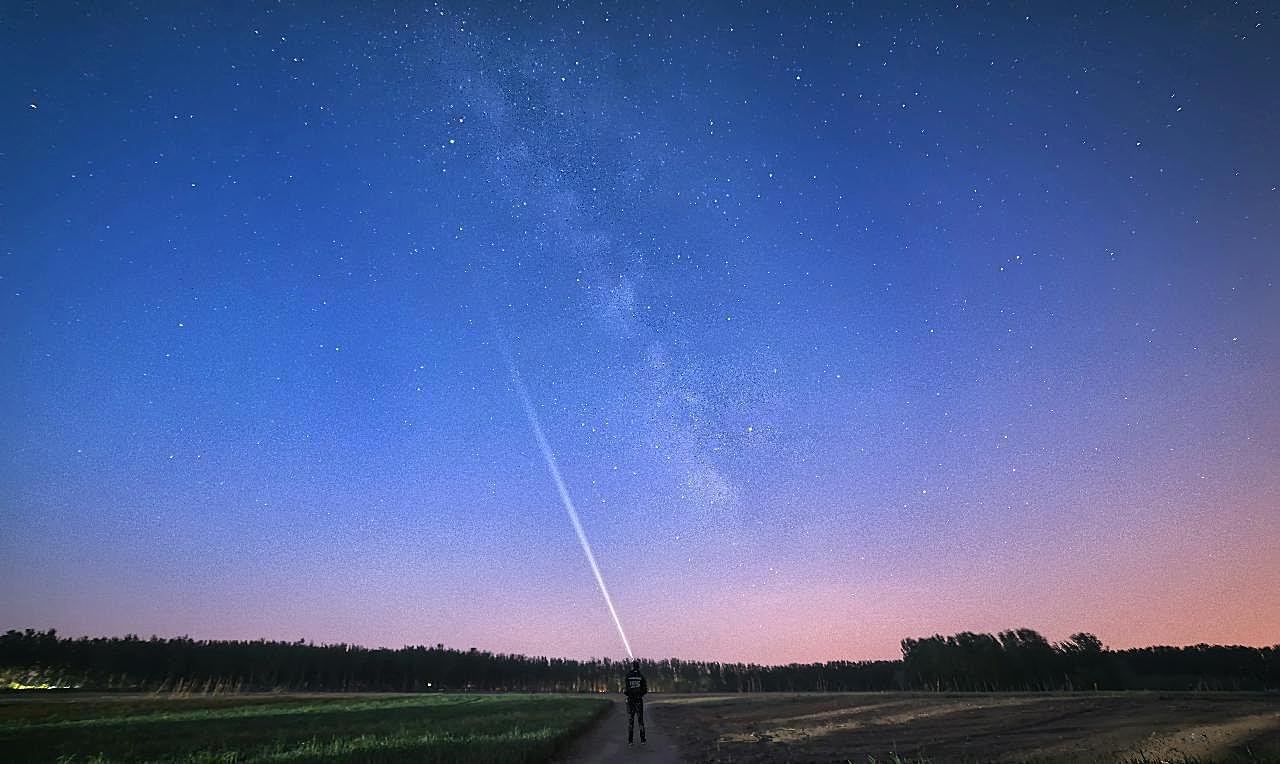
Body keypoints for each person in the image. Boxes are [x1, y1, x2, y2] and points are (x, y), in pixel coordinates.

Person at [623, 659, 648, 745]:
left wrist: (628, 694)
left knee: (631, 721)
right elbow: (645, 690)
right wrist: (640, 694)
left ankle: (630, 741)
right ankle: (643, 740)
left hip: (630, 701)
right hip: (638, 701)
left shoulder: (628, 676)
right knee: (640, 720)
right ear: (638, 666)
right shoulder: (641, 676)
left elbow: (626, 690)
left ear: (632, 666)